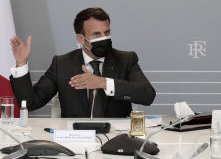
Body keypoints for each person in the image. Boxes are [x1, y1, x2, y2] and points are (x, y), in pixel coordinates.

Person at [8, 7, 156, 118]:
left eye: (107, 33)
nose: (103, 38)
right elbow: (30, 103)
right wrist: (21, 63)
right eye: (96, 34)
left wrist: (103, 82)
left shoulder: (125, 59)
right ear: (81, 39)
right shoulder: (62, 64)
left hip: (116, 139)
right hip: (74, 139)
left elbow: (148, 95)